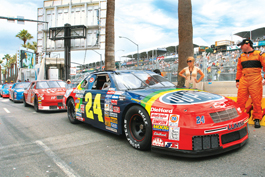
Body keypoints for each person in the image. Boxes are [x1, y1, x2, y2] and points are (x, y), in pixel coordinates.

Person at [236, 39, 265, 128]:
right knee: (240, 100)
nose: (240, 47)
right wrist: (237, 80)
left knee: (256, 100)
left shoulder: (259, 54)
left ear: (247, 44)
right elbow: (239, 69)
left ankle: (257, 119)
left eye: (241, 45)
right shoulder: (241, 56)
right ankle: (239, 118)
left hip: (255, 79)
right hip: (244, 80)